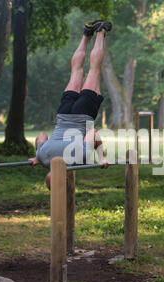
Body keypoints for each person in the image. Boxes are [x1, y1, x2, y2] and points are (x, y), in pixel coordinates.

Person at [28, 21, 112, 190]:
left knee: (94, 69)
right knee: (76, 70)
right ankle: (86, 34)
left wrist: (101, 157)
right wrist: (37, 156)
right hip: (63, 114)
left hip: (83, 114)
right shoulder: (44, 158)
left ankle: (101, 31)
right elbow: (42, 135)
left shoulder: (79, 159)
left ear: (66, 178)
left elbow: (92, 133)